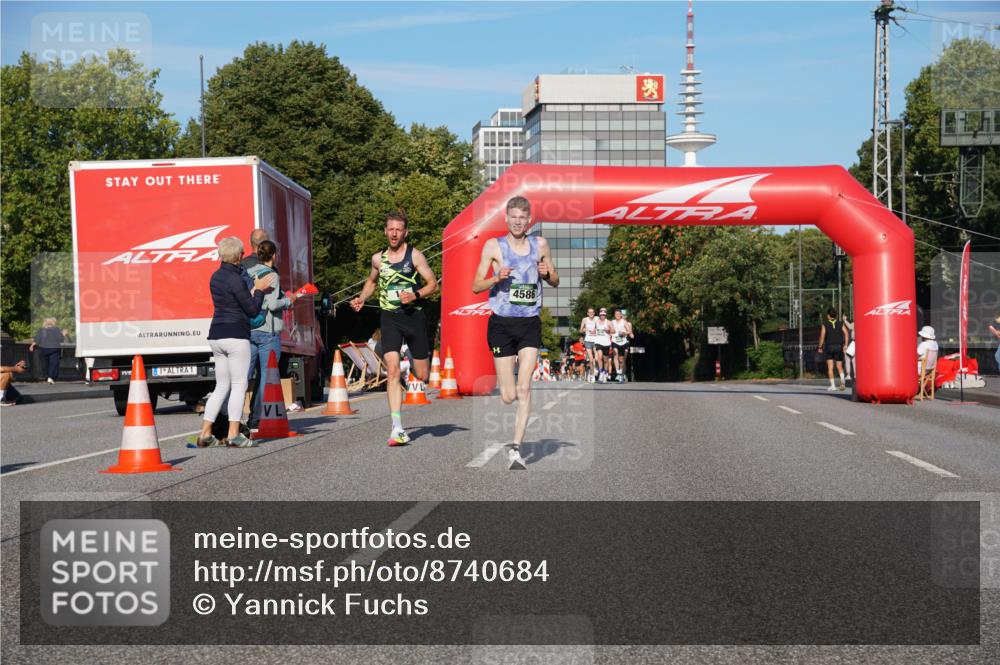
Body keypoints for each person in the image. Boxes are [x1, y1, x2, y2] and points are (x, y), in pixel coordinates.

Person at [472, 195, 559, 469]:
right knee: (508, 395)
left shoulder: (540, 244)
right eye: (514, 217)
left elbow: (555, 280)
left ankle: (515, 449)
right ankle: (506, 386)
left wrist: (546, 274)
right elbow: (475, 285)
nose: (518, 222)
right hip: (501, 324)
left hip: (529, 323)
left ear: (528, 220)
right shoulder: (493, 246)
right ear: (507, 219)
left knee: (525, 388)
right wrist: (495, 278)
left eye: (523, 217)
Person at [350, 211, 438, 446]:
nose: (394, 233)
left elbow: (433, 284)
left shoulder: (415, 256)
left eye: (399, 229)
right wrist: (361, 298)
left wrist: (415, 294)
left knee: (422, 375)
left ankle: (412, 356)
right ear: (385, 231)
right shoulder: (378, 259)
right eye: (391, 229)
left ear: (405, 233)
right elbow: (371, 281)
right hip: (390, 318)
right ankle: (397, 427)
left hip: (414, 317)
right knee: (392, 370)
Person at [194, 236, 274, 448]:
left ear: (221, 254)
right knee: (239, 385)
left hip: (216, 335)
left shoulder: (215, 277)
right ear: (239, 256)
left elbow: (231, 301)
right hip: (236, 335)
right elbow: (251, 309)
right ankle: (233, 435)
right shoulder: (236, 280)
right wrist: (258, 289)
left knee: (221, 386)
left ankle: (205, 434)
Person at [246, 240, 298, 430]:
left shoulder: (249, 273)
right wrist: (288, 301)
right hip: (268, 331)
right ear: (274, 255)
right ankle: (257, 419)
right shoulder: (272, 275)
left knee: (243, 376)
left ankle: (229, 418)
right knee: (267, 378)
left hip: (250, 329)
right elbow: (272, 304)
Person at [818, 308, 849, 391]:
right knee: (839, 366)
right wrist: (845, 345)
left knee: (830, 367)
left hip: (829, 347)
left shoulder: (825, 324)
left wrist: (820, 347)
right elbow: (846, 333)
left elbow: (822, 336)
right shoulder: (840, 323)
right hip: (839, 347)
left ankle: (833, 386)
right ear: (835, 315)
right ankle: (842, 381)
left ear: (828, 315)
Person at [29, 318, 68, 384]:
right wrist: (63, 334)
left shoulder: (42, 330)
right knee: (54, 363)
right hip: (54, 349)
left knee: (46, 364)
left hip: (44, 349)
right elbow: (61, 339)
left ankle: (47, 376)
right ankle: (51, 377)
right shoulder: (56, 329)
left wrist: (32, 346)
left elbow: (37, 340)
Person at [610, 309, 634, 383]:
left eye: (620, 314)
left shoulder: (626, 322)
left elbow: (630, 332)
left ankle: (622, 374)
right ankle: (618, 373)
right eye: (616, 314)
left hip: (624, 342)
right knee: (616, 355)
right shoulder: (612, 322)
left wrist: (625, 333)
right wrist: (611, 332)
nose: (618, 315)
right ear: (614, 315)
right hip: (615, 341)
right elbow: (610, 331)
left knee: (622, 360)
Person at [579, 308, 599, 382]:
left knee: (596, 359)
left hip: (596, 340)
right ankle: (592, 375)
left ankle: (596, 369)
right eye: (589, 312)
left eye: (592, 312)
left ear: (594, 313)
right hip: (588, 340)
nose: (591, 313)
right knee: (590, 360)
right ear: (587, 313)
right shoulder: (585, 319)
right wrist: (584, 330)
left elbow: (601, 327)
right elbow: (580, 330)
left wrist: (596, 330)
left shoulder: (597, 318)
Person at [593, 308, 613, 383]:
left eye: (604, 314)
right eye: (601, 314)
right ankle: (601, 372)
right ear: (599, 314)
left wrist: (608, 330)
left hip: (606, 343)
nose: (602, 316)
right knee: (599, 357)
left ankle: (605, 373)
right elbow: (595, 330)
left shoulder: (609, 322)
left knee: (605, 360)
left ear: (606, 314)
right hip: (598, 342)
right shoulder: (596, 322)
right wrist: (593, 332)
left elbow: (613, 331)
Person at [843, 317, 856, 382]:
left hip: (854, 342)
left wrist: (845, 320)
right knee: (854, 359)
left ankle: (848, 374)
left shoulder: (856, 323)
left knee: (847, 357)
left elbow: (850, 327)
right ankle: (855, 374)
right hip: (858, 342)